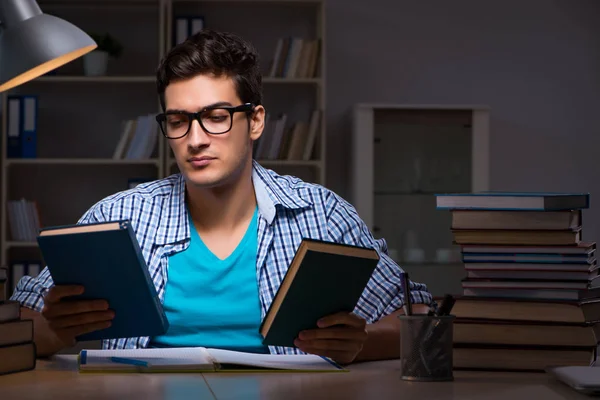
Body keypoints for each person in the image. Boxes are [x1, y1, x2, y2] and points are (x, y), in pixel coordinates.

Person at [10, 29, 433, 365]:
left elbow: (417, 319)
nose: (195, 140)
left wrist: (360, 342)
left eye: (216, 117)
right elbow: (22, 322)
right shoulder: (117, 215)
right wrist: (57, 330)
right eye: (178, 121)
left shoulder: (322, 214)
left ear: (255, 121)